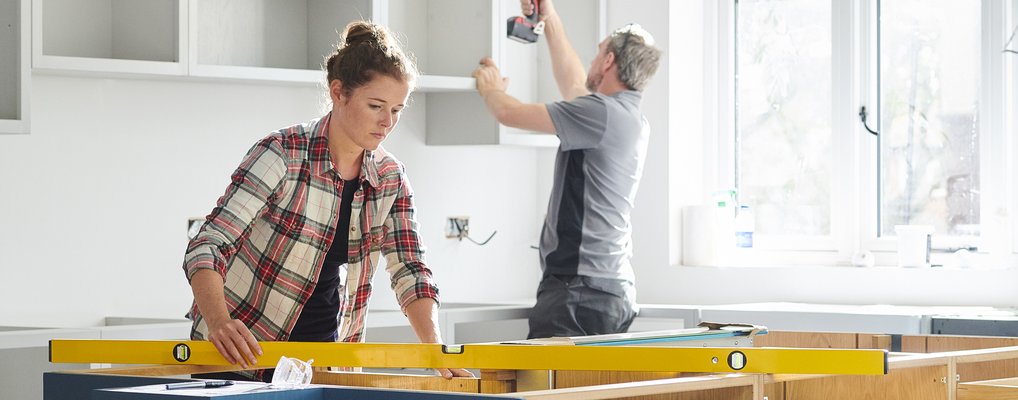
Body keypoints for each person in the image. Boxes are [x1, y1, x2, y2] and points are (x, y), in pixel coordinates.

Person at [182, 21, 472, 381]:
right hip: (241, 355)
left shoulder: (390, 178)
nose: (387, 122)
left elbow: (410, 271)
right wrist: (220, 323)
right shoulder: (283, 154)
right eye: (376, 106)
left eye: (397, 109)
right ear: (339, 93)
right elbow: (208, 245)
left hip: (323, 363)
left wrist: (435, 350)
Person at [472, 0, 662, 339]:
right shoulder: (626, 116)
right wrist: (550, 17)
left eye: (597, 52)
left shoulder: (600, 113)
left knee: (546, 390)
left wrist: (491, 88)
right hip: (606, 289)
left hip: (578, 291)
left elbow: (509, 113)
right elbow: (575, 86)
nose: (590, 60)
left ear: (608, 60)